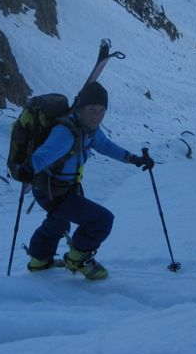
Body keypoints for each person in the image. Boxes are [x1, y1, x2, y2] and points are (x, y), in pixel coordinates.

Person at [23, 81, 155, 280]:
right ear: (81, 108)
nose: (97, 116)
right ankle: (78, 259)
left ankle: (39, 261)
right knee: (102, 220)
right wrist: (28, 169)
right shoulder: (66, 133)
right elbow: (43, 156)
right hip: (52, 191)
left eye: (102, 111)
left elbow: (106, 146)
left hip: (61, 189)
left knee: (59, 223)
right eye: (92, 109)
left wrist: (133, 159)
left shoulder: (89, 129)